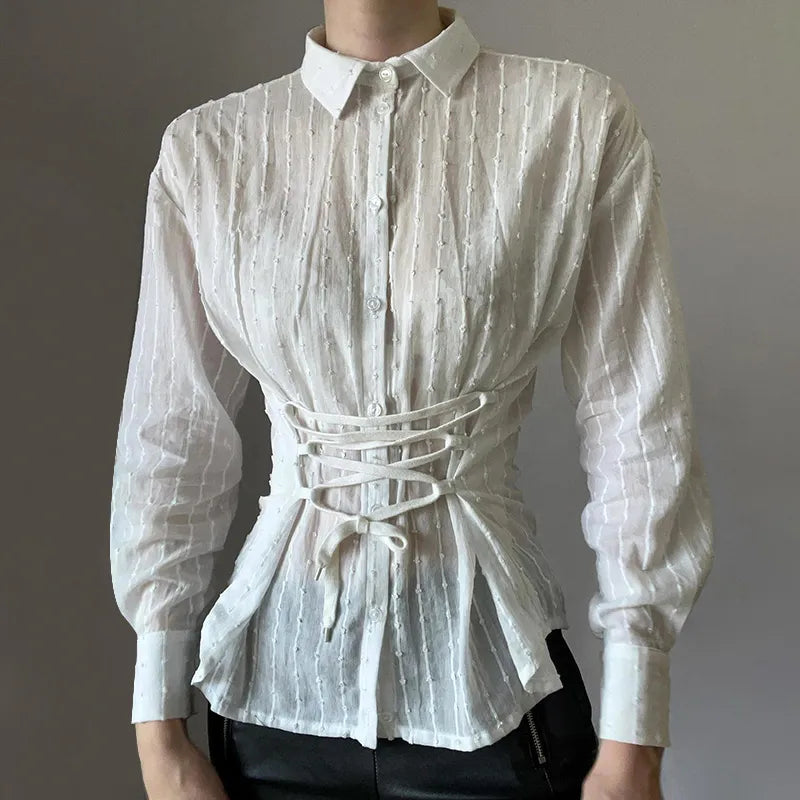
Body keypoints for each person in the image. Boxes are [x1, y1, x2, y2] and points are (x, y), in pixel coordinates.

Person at [110, 2, 714, 798]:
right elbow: (171, 437)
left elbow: (638, 419)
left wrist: (636, 736)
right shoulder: (210, 148)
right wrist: (158, 730)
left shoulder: (573, 119)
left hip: (497, 701)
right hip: (270, 712)